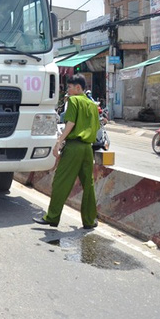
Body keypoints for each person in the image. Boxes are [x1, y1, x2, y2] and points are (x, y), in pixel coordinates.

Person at [33, 74, 101, 229]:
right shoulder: (92, 105)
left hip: (74, 147)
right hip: (87, 148)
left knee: (61, 182)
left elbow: (70, 123)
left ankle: (52, 217)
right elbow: (96, 127)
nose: (68, 90)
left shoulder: (74, 100)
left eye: (70, 87)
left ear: (78, 87)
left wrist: (58, 142)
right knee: (88, 185)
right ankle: (89, 221)